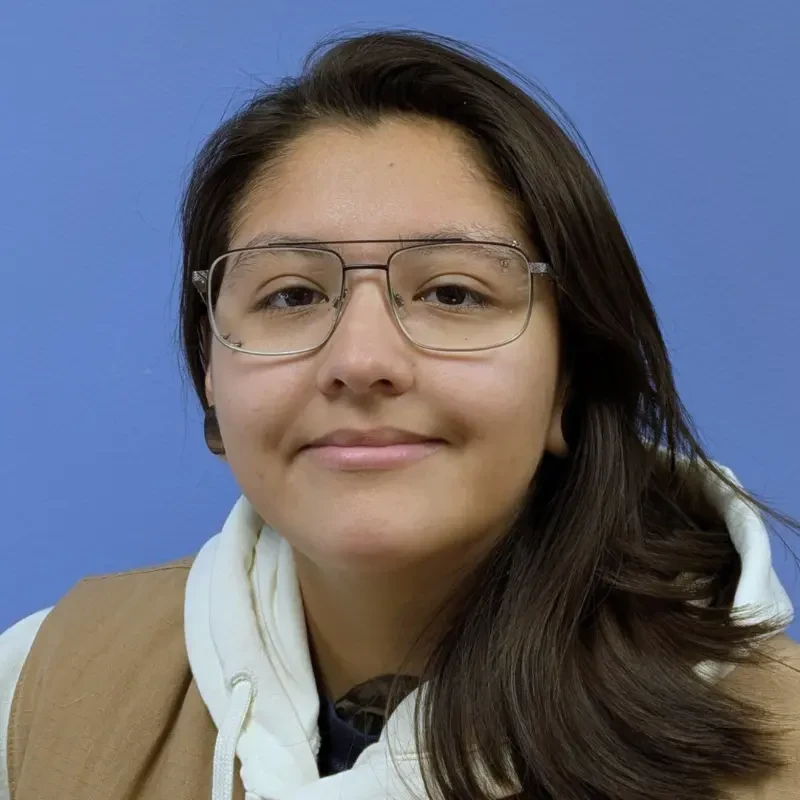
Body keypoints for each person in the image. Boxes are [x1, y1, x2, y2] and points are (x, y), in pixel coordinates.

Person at [0, 29, 798, 800]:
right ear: (211, 369)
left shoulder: (778, 746)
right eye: (291, 295)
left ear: (569, 379)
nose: (361, 361)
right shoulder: (41, 687)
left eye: (453, 292)